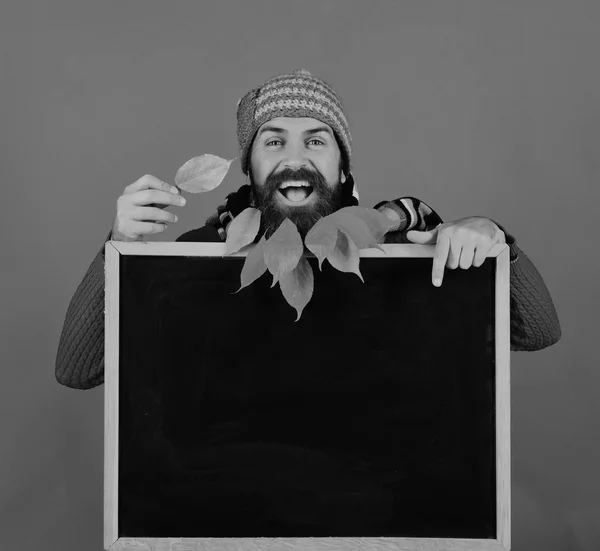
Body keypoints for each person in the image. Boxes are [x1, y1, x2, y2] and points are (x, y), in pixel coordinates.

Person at [55, 69, 561, 390]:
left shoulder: (404, 252)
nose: (294, 160)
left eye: (316, 141)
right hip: (224, 518)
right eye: (273, 143)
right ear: (248, 169)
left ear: (343, 169)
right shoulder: (201, 259)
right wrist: (118, 249)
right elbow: (78, 372)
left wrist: (494, 243)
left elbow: (537, 332)